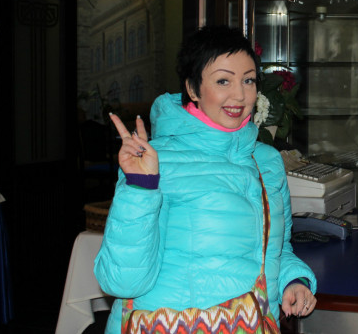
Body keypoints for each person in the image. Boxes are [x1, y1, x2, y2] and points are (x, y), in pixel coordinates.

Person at [94, 25, 317, 333]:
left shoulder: (266, 161)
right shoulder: (156, 161)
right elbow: (122, 282)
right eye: (223, 80)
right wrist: (140, 187)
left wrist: (294, 280)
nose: (239, 95)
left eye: (249, 80)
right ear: (193, 88)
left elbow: (275, 251)